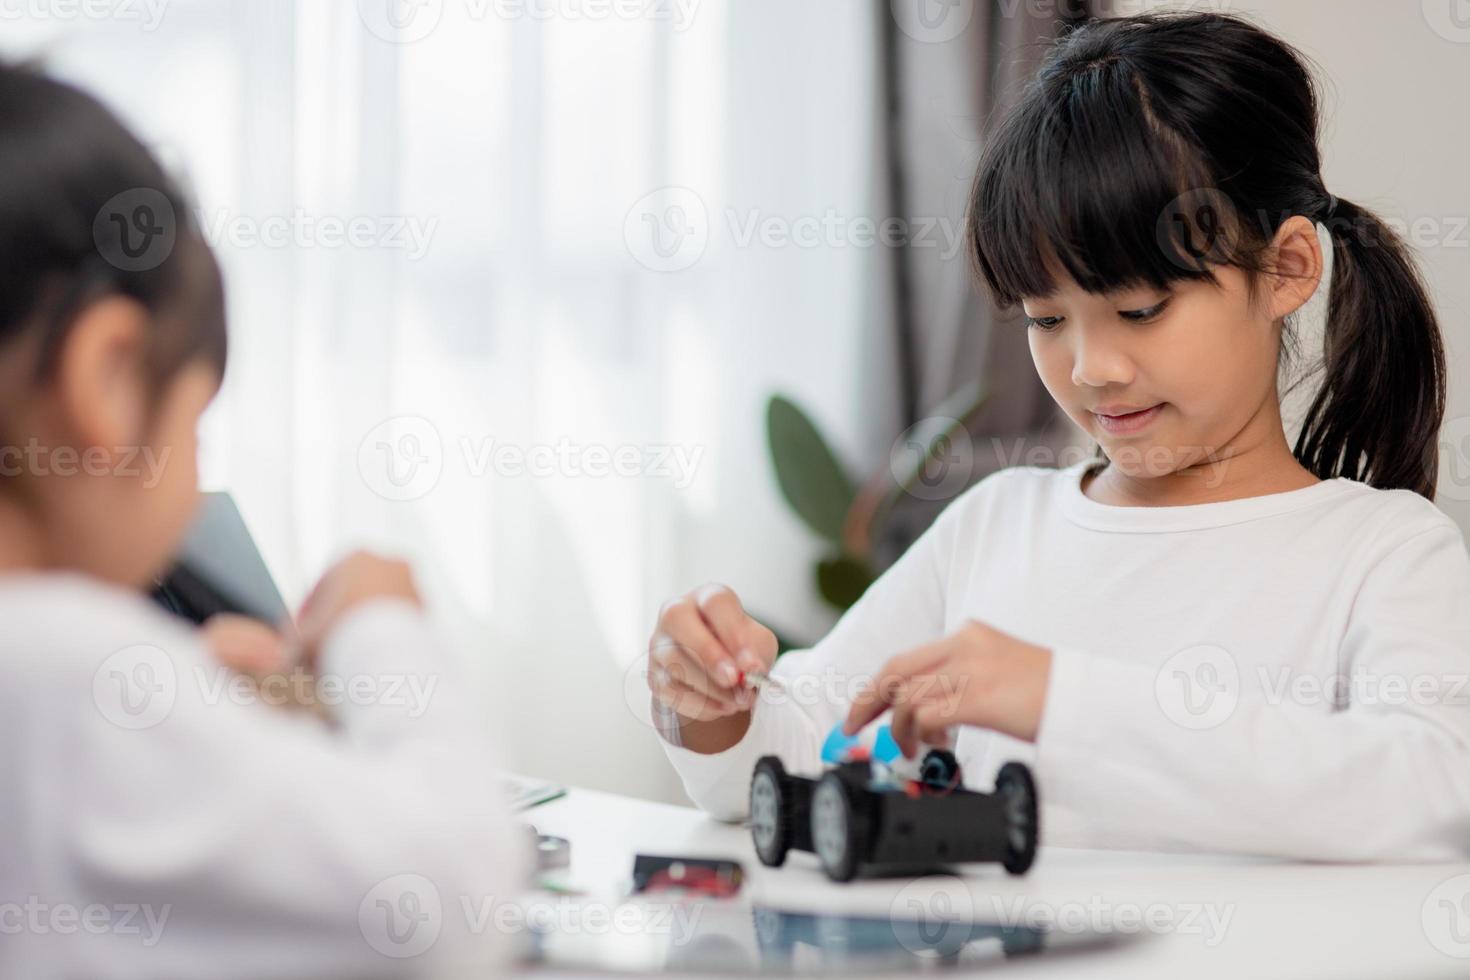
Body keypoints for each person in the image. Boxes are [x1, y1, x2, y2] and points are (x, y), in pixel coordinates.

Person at [646, 12, 1470, 862]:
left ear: (1287, 270)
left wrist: (1058, 697)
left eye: (1140, 310)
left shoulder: (1384, 552)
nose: (1091, 367)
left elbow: (1430, 796)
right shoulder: (995, 525)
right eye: (1046, 319)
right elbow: (794, 750)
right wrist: (712, 704)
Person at [0, 61, 527, 976]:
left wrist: (186, 699)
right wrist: (378, 627)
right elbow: (452, 899)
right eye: (195, 423)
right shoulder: (56, 666)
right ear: (109, 381)